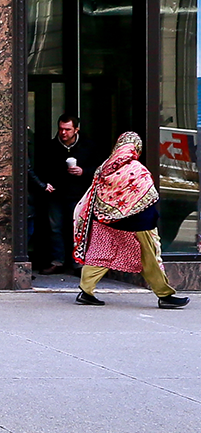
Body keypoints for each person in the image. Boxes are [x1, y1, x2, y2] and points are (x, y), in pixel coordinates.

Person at [72, 131, 189, 309]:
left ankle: (86, 291)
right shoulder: (137, 169)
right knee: (149, 257)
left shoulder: (105, 167)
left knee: (100, 255)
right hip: (139, 222)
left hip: (105, 219)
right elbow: (149, 196)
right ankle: (165, 295)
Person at [33, 114, 94, 274]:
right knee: (55, 228)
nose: (63, 133)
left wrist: (83, 172)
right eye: (61, 129)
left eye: (67, 129)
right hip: (56, 194)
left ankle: (78, 262)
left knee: (77, 229)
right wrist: (46, 183)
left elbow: (99, 168)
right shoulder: (51, 147)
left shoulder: (87, 146)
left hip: (79, 194)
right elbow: (40, 167)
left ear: (76, 130)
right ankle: (57, 261)